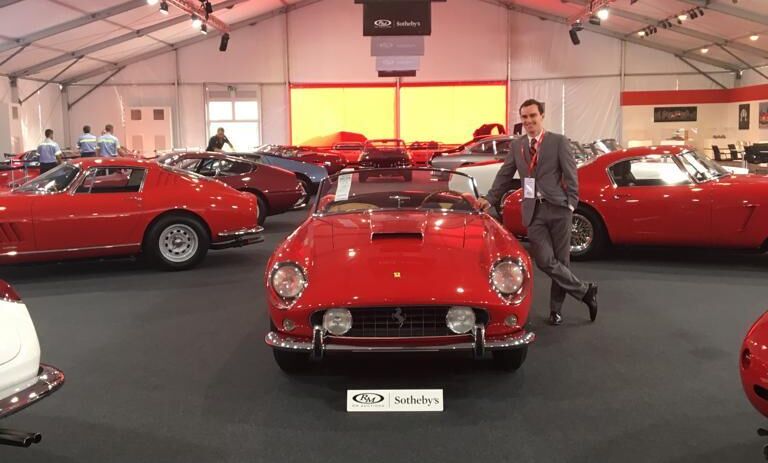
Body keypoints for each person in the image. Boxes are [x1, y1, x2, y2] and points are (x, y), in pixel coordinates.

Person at [478, 99, 598, 326]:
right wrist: (489, 198)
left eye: (533, 116)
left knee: (562, 261)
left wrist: (571, 203)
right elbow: (505, 175)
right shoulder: (518, 146)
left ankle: (556, 310)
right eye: (524, 117)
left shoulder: (558, 142)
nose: (529, 121)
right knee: (544, 259)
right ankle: (585, 291)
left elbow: (571, 175)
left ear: (542, 116)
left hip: (559, 208)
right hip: (534, 210)